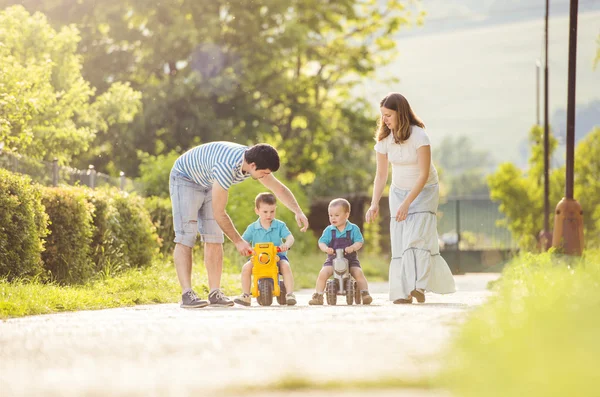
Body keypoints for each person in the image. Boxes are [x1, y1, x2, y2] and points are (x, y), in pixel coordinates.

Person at [169, 141, 309, 308]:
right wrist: (238, 241)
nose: (265, 177)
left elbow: (278, 189)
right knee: (186, 236)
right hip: (186, 178)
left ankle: (215, 292)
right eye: (264, 173)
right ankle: (187, 294)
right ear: (252, 165)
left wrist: (298, 211)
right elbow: (219, 213)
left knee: (215, 236)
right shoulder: (226, 167)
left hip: (208, 180)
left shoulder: (254, 160)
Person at [365, 92, 455, 304]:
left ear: (401, 114)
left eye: (388, 115)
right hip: (398, 191)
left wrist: (407, 203)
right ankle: (402, 291)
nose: (384, 120)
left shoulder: (419, 136)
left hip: (424, 190)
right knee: (401, 240)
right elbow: (380, 175)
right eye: (383, 115)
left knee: (417, 238)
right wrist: (374, 203)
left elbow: (423, 174)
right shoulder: (384, 140)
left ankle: (419, 287)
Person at [234, 193, 297, 306]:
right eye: (265, 212)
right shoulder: (252, 228)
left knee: (285, 266)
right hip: (258, 258)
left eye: (272, 211)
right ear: (257, 211)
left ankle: (290, 294)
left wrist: (286, 244)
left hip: (277, 257)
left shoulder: (279, 225)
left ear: (275, 210)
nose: (269, 215)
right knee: (246, 268)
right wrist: (246, 248)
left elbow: (290, 237)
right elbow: (244, 241)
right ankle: (246, 295)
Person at [308, 198, 373, 305]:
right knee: (323, 273)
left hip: (350, 260)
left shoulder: (353, 229)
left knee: (358, 273)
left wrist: (352, 247)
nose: (333, 218)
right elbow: (322, 242)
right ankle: (318, 295)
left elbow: (359, 242)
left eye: (336, 215)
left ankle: (365, 293)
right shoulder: (329, 230)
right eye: (330, 215)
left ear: (346, 215)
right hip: (332, 260)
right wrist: (326, 249)